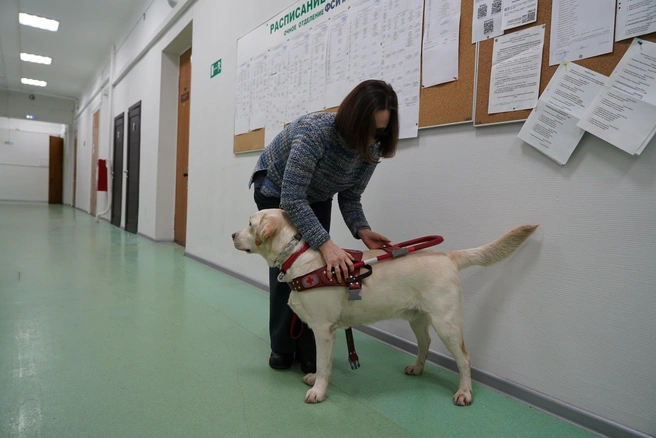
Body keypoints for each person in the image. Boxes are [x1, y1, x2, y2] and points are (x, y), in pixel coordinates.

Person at [249, 79, 399, 373]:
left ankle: (309, 350)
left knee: (316, 265)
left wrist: (361, 229)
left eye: (380, 130)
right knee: (288, 264)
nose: (372, 138)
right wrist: (327, 244)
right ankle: (281, 346)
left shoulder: (373, 147)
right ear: (351, 119)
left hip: (316, 194)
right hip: (276, 188)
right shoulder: (314, 132)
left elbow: (351, 195)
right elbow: (292, 198)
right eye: (368, 129)